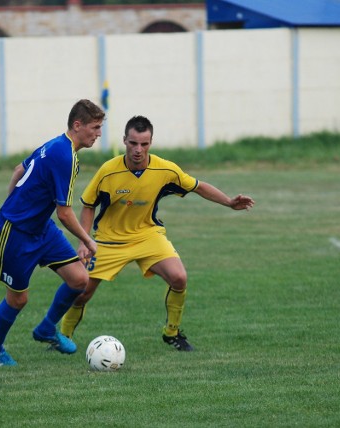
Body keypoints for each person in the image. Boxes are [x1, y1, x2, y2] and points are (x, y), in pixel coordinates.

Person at [60, 115, 255, 351]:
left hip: (147, 236)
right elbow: (88, 204)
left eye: (144, 144)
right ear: (124, 141)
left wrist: (228, 202)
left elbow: (198, 186)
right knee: (82, 292)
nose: (138, 150)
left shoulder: (165, 169)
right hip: (108, 241)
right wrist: (85, 240)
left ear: (151, 142)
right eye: (133, 143)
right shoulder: (108, 171)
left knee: (179, 278)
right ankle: (63, 337)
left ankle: (171, 333)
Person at [0, 99, 104, 366]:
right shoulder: (64, 155)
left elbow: (18, 170)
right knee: (18, 298)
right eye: (95, 127)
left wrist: (18, 201)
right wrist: (87, 240)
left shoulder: (55, 144)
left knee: (78, 279)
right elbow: (64, 213)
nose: (99, 133)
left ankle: (47, 328)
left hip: (41, 228)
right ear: (77, 124)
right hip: (15, 232)